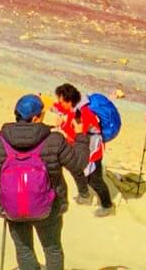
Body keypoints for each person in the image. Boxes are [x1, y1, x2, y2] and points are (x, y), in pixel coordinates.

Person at [0, 93, 85, 270]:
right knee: (52, 249)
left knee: (23, 249)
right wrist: (81, 136)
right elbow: (78, 165)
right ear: (36, 117)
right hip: (50, 206)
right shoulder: (54, 140)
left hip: (12, 205)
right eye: (42, 113)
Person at [49, 84, 117, 214]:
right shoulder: (74, 106)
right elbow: (60, 109)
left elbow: (78, 134)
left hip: (92, 151)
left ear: (69, 101)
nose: (59, 103)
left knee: (94, 180)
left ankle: (107, 206)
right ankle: (84, 195)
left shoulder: (84, 114)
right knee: (76, 171)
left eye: (61, 101)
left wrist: (61, 125)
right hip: (80, 146)